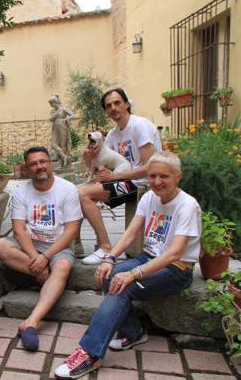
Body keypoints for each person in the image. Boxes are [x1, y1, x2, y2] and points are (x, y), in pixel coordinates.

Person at [54, 151, 201, 379]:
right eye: (152, 176)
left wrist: (133, 273)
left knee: (123, 284)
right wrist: (109, 258)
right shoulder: (149, 197)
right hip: (148, 258)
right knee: (106, 275)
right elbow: (131, 233)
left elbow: (174, 253)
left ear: (178, 176)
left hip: (176, 269)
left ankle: (90, 354)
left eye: (164, 176)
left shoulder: (187, 205)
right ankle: (134, 332)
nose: (157, 182)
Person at [0, 146, 82, 351]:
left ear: (50, 164)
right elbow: (19, 229)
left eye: (43, 161)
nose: (39, 166)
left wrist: (46, 256)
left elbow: (71, 231)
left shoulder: (67, 189)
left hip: (58, 245)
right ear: (27, 169)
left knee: (63, 267)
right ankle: (48, 278)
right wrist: (37, 260)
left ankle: (30, 322)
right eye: (33, 164)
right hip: (29, 245)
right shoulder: (21, 192)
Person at [79, 88, 162, 265]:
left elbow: (149, 167)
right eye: (109, 106)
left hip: (143, 183)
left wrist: (114, 176)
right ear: (106, 111)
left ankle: (105, 247)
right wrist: (88, 156)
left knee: (82, 194)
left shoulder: (140, 126)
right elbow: (99, 167)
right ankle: (76, 244)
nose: (113, 108)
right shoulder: (113, 135)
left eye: (117, 103)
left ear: (126, 104)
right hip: (125, 181)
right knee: (74, 190)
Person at [49, 94, 75, 170]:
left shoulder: (63, 109)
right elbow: (50, 119)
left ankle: (63, 164)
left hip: (62, 126)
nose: (51, 105)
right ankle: (65, 157)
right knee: (53, 144)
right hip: (54, 127)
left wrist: (67, 119)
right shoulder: (53, 111)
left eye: (51, 103)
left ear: (55, 102)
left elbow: (72, 115)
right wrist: (56, 113)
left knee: (62, 145)